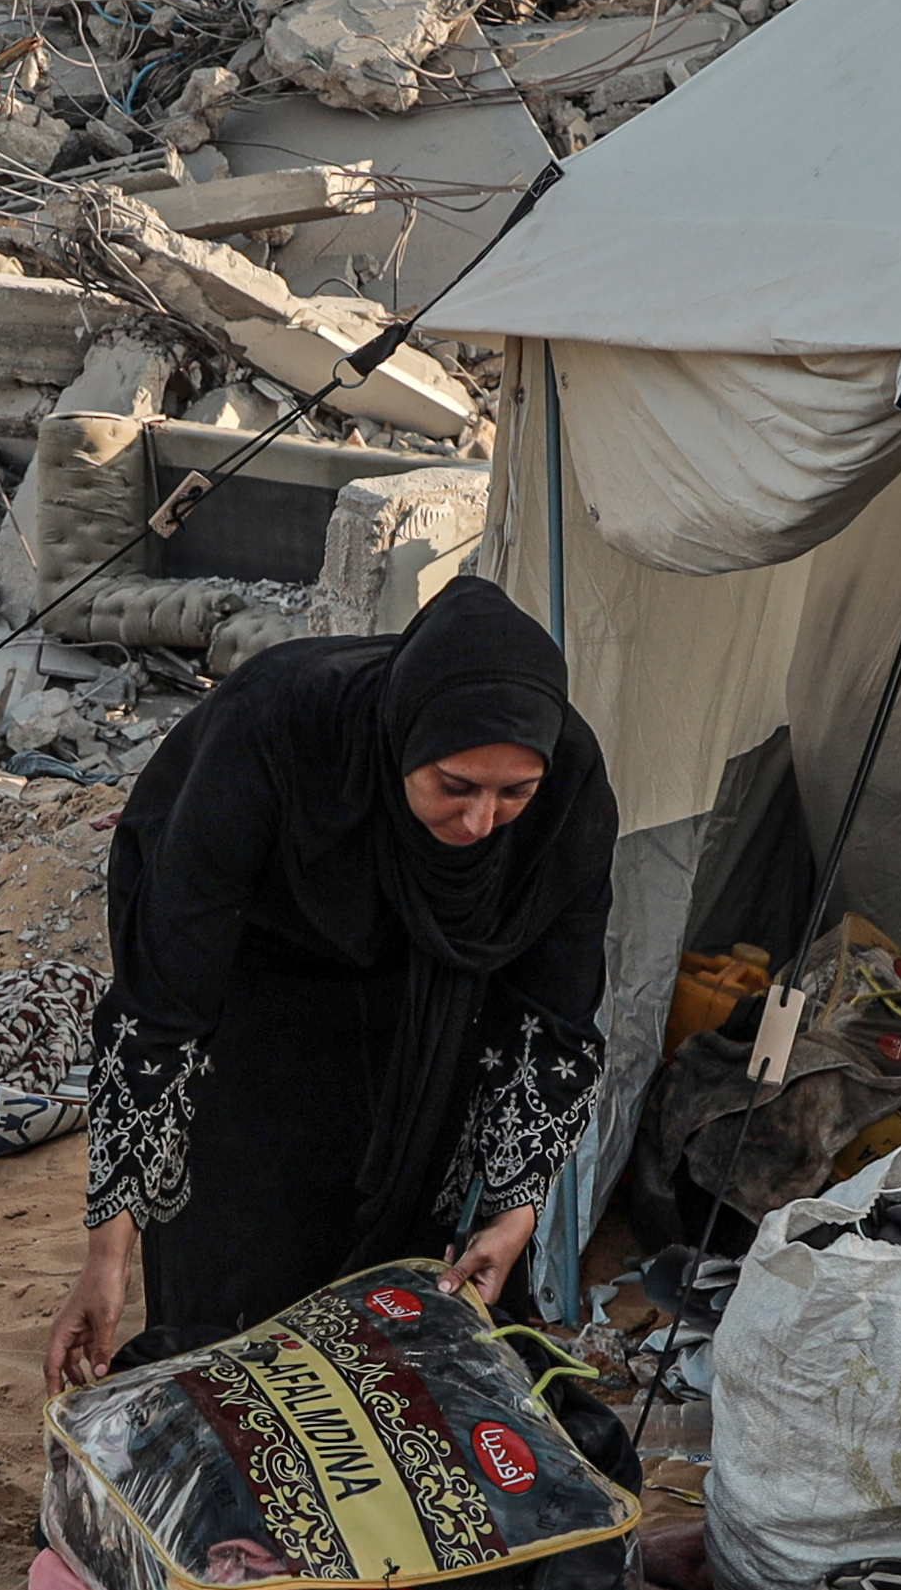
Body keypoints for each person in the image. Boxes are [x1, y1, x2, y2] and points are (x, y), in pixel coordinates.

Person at [51, 575, 617, 1388]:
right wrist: (107, 1257)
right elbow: (162, 1008)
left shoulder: (569, 792)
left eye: (512, 793)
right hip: (254, 963)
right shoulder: (276, 729)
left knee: (413, 1249)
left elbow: (556, 1017)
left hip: (435, 984)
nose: (480, 824)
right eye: (455, 786)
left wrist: (517, 1207)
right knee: (247, 1238)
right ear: (403, 744)